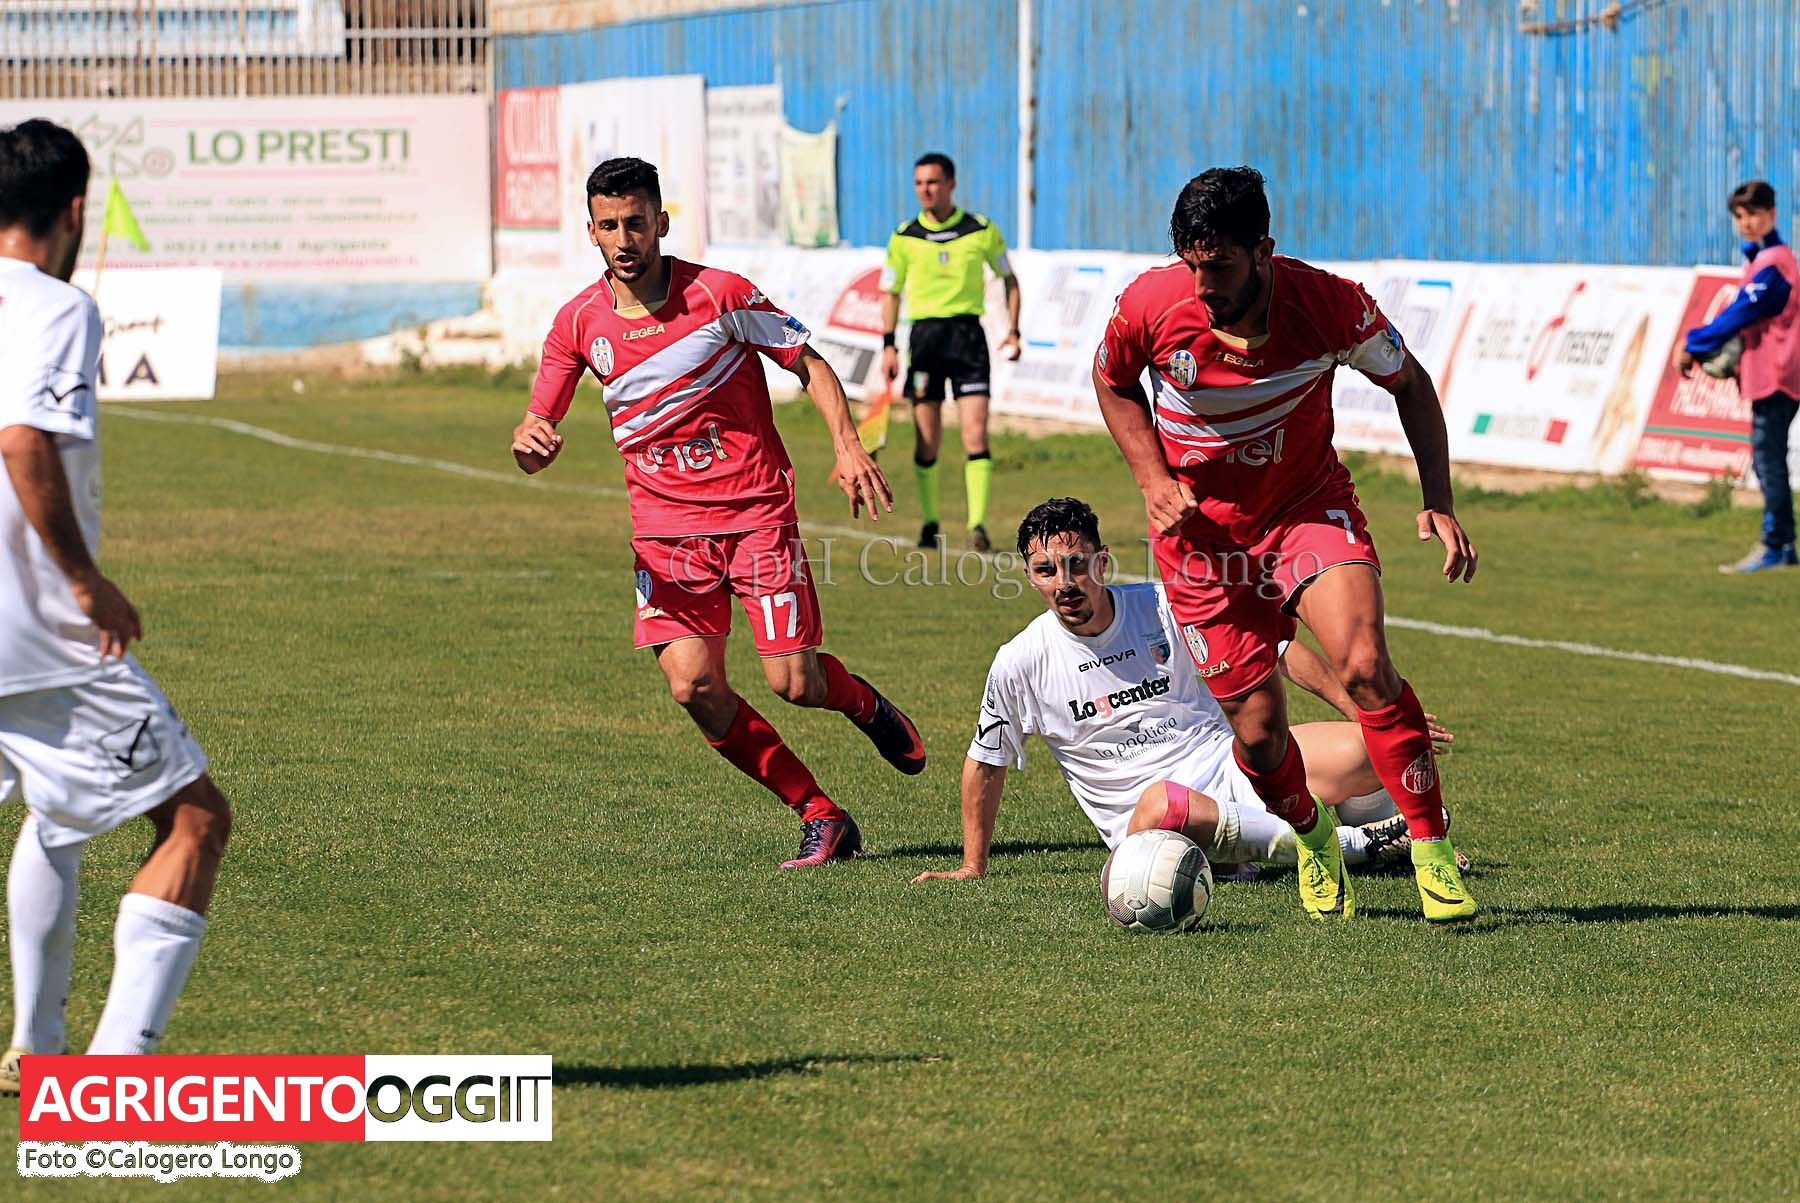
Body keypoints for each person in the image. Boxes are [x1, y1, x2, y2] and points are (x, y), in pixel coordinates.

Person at [511, 156, 925, 869]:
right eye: (609, 226)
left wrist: (848, 444)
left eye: (636, 222)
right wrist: (531, 444)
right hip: (665, 535)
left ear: (661, 223)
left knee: (795, 682)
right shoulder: (578, 322)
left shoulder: (720, 294)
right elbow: (536, 428)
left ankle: (865, 705)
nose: (624, 239)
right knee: (693, 686)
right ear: (591, 231)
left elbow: (808, 362)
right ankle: (820, 814)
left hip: (755, 514)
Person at [1091, 166, 1478, 923]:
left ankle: (1431, 849)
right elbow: (1112, 381)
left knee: (1364, 665)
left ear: (1264, 250)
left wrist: (1438, 499)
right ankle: (1312, 836)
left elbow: (1410, 383)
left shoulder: (1331, 306)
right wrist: (1151, 477)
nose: (1204, 284)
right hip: (1200, 541)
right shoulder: (1150, 304)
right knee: (1261, 736)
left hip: (1306, 510)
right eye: (1191, 264)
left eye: (1220, 265)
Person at [0, 119, 234, 1094]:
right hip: (36, 636)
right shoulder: (58, 306)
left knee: (56, 816)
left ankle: (38, 1049)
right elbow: (23, 441)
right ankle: (110, 1084)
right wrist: (85, 581)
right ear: (74, 211)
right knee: (196, 820)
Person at [909, 499, 1464, 886]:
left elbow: (1274, 648)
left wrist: (1368, 715)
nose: (1065, 582)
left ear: (1102, 562)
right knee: (1161, 801)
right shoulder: (1021, 660)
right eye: (1046, 570)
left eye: (1077, 565)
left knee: (1370, 751)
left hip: (1228, 768)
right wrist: (972, 866)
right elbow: (986, 760)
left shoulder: (1162, 605)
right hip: (1153, 822)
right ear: (1030, 576)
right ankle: (1360, 847)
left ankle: (1398, 841)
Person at [880, 152, 1023, 553]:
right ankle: (930, 522)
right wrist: (888, 346)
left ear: (951, 184)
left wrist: (1013, 330)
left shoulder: (981, 230)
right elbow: (890, 293)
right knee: (927, 441)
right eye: (919, 183)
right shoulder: (905, 236)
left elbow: (1010, 279)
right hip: (924, 342)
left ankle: (977, 525)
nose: (925, 190)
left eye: (932, 182)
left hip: (967, 340)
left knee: (975, 434)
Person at [1673, 180, 1800, 573]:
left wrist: (1694, 342)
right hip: (1770, 373)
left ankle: (1775, 544)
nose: (1746, 223)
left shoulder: (1774, 263)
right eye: (1739, 216)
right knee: (1768, 459)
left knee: (1768, 460)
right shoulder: (1762, 259)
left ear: (1772, 215)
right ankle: (1783, 544)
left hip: (1779, 375)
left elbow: (1742, 312)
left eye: (1754, 214)